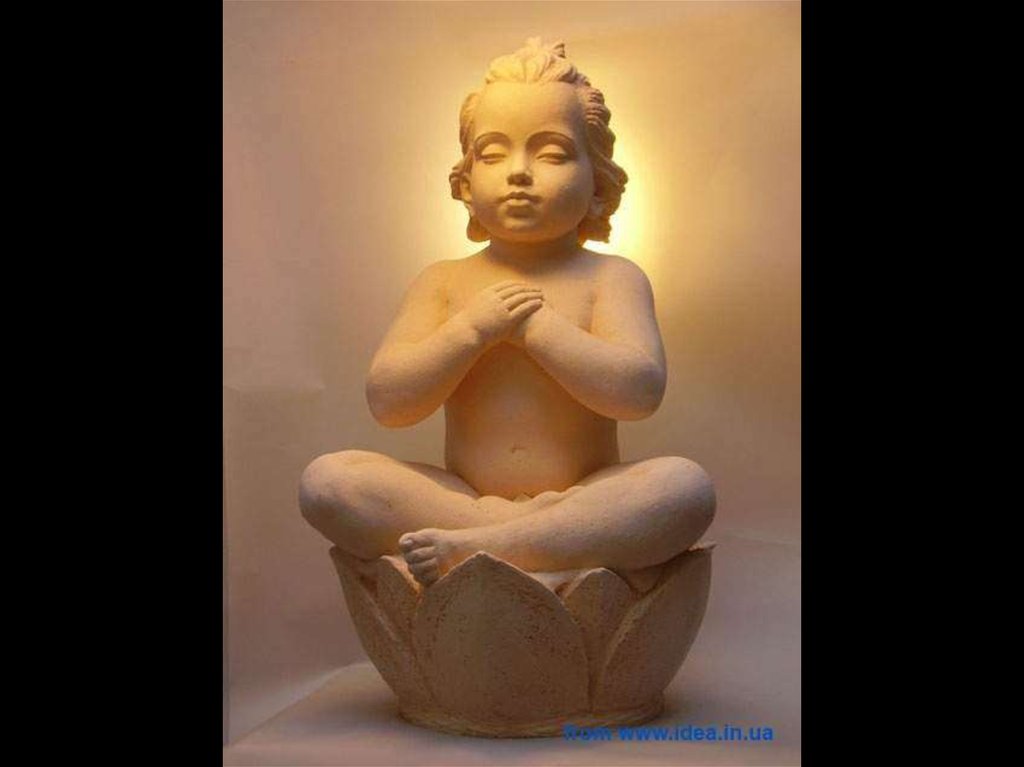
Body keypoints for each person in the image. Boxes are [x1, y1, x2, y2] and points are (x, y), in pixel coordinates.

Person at [300, 38, 715, 587]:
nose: (519, 172)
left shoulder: (612, 278)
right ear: (466, 184)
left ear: (598, 184)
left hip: (583, 494)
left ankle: (490, 547)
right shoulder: (443, 282)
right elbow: (390, 401)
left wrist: (538, 330)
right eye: (493, 154)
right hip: (461, 502)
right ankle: (536, 542)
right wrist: (473, 329)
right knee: (330, 482)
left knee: (684, 487)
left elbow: (638, 392)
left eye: (552, 154)